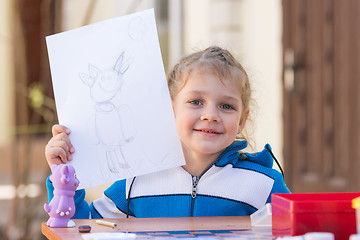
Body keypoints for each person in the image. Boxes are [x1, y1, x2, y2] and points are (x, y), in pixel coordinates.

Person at [45, 46, 290, 219]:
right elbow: (83, 227)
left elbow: (298, 232)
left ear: (241, 121)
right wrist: (64, 177)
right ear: (169, 109)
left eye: (226, 106)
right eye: (196, 102)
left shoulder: (265, 184)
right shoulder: (135, 181)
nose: (211, 115)